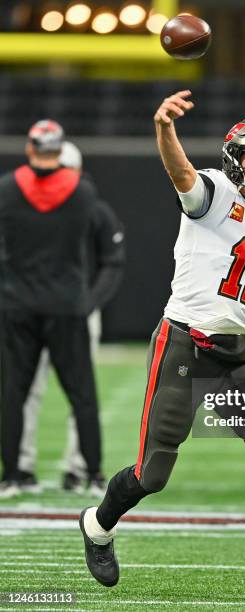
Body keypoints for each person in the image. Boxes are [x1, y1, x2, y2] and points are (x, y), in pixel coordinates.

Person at [78, 90, 245, 602]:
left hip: (235, 355)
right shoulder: (213, 193)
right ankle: (98, 525)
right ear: (235, 159)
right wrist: (165, 127)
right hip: (185, 345)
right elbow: (181, 173)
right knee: (153, 473)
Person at [0, 120, 105, 498]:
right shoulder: (83, 192)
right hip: (67, 306)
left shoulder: (8, 189)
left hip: (20, 307)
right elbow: (105, 249)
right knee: (82, 394)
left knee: (15, 392)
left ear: (30, 148)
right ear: (60, 150)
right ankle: (93, 474)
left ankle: (11, 475)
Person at [16, 141, 125, 494]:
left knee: (80, 393)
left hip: (74, 312)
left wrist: (89, 302)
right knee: (26, 389)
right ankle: (20, 465)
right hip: (32, 312)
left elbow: (112, 259)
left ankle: (79, 468)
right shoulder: (22, 205)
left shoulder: (91, 208)